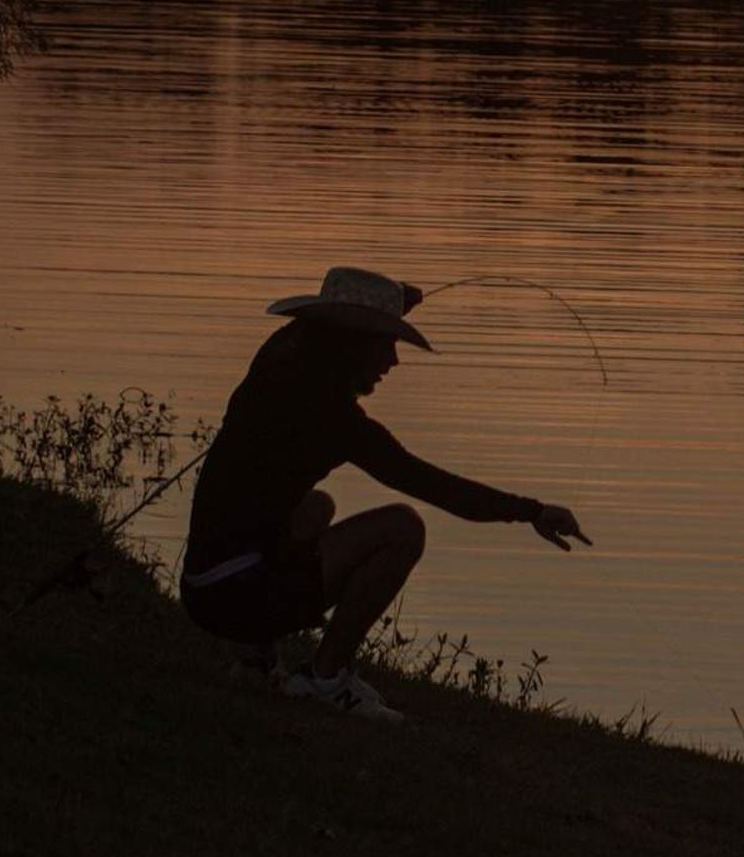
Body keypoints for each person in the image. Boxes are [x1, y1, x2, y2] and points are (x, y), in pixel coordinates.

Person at [180, 267, 590, 721]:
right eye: (386, 344)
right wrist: (530, 512)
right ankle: (323, 680)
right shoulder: (334, 419)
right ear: (351, 343)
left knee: (317, 507)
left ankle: (254, 658)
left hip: (203, 586)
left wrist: (392, 305)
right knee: (402, 528)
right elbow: (434, 487)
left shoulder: (276, 362)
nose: (392, 361)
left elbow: (315, 328)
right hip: (236, 596)